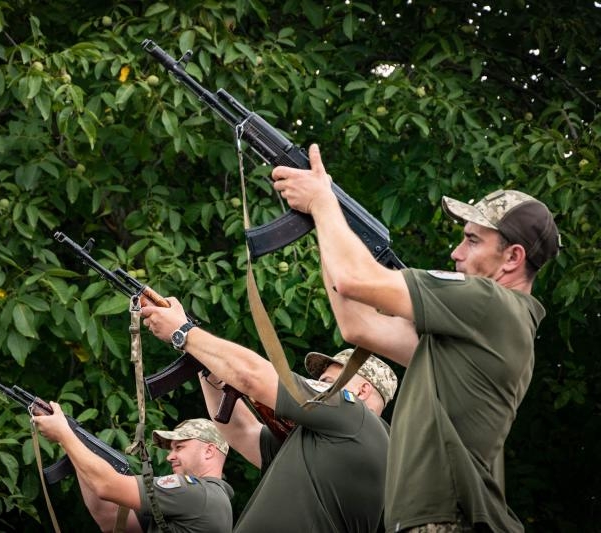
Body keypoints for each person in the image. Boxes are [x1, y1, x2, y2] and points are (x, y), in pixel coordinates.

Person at [270, 143, 561, 532]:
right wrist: (320, 219)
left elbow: (353, 280)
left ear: (512, 258)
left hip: (448, 519)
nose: (456, 252)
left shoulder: (492, 302)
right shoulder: (484, 328)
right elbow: (357, 325)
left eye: (473, 240)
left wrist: (324, 202)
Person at [141, 290, 398, 532]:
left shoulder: (355, 416)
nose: (318, 385)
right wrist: (203, 361)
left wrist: (184, 332)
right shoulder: (328, 444)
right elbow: (241, 431)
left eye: (327, 382)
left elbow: (253, 377)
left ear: (362, 391)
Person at [32, 410, 233, 533]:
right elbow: (109, 518)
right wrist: (75, 444)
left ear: (208, 451)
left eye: (179, 447)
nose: (169, 457)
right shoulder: (209, 500)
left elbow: (107, 485)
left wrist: (65, 435)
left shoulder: (195, 493)